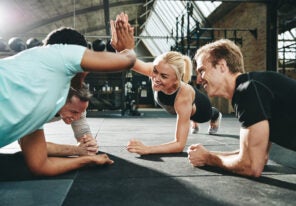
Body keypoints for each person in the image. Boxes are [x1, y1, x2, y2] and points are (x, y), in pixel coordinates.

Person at [0, 25, 136, 176]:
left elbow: (40, 166)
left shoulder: (42, 99)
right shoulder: (60, 53)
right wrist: (127, 48)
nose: (87, 70)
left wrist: (88, 159)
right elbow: (126, 61)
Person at [110, 13, 222, 155]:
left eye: (163, 76)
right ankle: (189, 118)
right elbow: (128, 61)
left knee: (202, 115)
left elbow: (179, 144)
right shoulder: (155, 71)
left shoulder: (183, 97)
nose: (155, 78)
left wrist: (148, 149)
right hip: (185, 105)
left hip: (202, 109)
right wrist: (120, 48)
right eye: (155, 71)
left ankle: (215, 115)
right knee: (185, 114)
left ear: (177, 79)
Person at [187, 39, 296, 177]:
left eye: (202, 71)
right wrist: (208, 154)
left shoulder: (248, 90)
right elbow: (260, 156)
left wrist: (208, 158)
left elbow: (251, 166)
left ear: (222, 66)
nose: (198, 80)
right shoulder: (254, 86)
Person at [42, 28, 98, 157]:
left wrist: (88, 143)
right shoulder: (37, 90)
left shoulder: (72, 90)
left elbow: (82, 131)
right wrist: (78, 151)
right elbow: (34, 150)